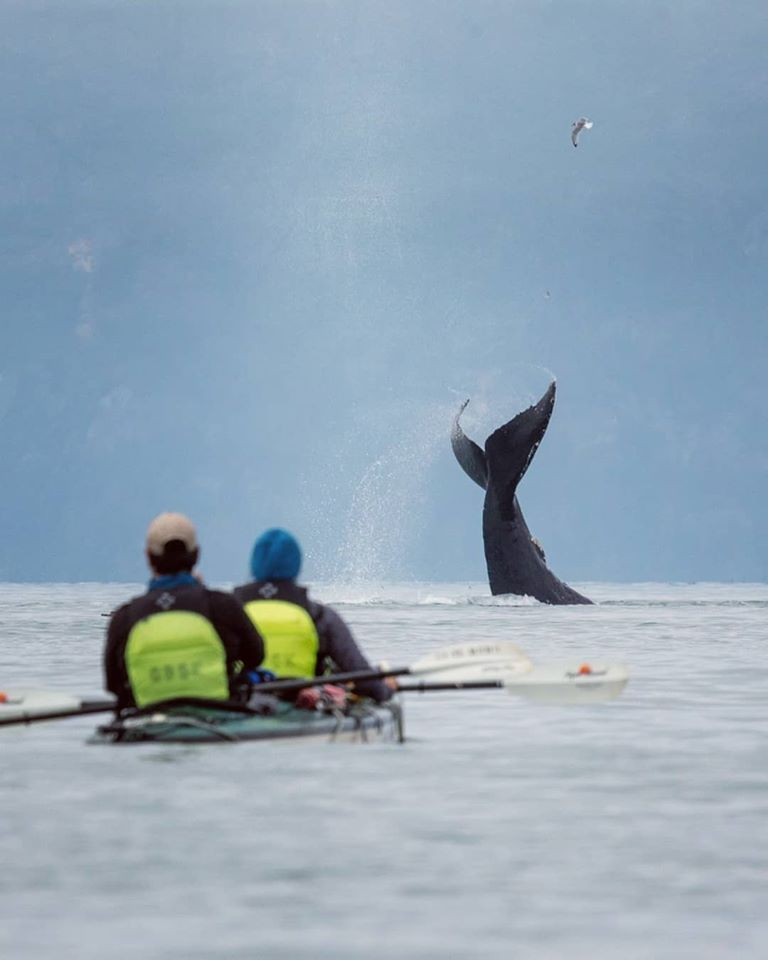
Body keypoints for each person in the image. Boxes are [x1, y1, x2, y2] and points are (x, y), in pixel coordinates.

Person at [104, 512, 264, 712]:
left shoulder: (125, 617)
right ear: (196, 554)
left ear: (148, 557)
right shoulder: (222, 605)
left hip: (149, 724)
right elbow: (256, 656)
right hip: (220, 718)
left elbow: (113, 684)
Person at [233, 528, 393, 704]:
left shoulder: (224, 612)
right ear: (297, 566)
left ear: (253, 565)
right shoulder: (320, 615)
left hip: (240, 706)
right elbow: (365, 680)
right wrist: (387, 689)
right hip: (301, 706)